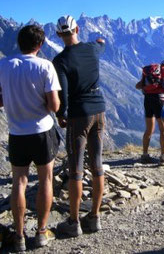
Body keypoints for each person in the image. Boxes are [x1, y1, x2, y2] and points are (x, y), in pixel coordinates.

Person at [0, 25, 61, 251]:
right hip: (42, 131)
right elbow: (54, 105)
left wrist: (14, 101)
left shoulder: (4, 65)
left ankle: (18, 236)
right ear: (41, 45)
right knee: (45, 180)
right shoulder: (45, 66)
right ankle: (42, 232)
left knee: (19, 183)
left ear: (19, 42)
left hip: (17, 132)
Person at [53, 15, 106, 237]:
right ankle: (94, 218)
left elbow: (62, 94)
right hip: (99, 110)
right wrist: (101, 40)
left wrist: (61, 115)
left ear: (58, 34)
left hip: (78, 114)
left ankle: (74, 222)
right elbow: (101, 43)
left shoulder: (60, 61)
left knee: (75, 167)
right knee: (97, 163)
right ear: (77, 28)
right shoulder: (93, 49)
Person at [136, 60, 164, 165]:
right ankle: (163, 158)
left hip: (147, 100)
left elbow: (139, 85)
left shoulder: (149, 71)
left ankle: (145, 155)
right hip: (159, 101)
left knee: (149, 130)